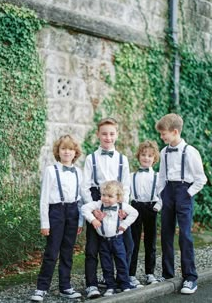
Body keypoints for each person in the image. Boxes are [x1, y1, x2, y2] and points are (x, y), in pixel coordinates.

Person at [81, 117, 133, 299]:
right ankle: (92, 284)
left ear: (116, 135)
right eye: (104, 134)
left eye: (111, 134)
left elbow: (126, 185)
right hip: (97, 200)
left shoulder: (122, 159)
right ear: (98, 135)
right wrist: (93, 208)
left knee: (125, 245)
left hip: (118, 202)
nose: (108, 137)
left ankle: (121, 280)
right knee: (93, 247)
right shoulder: (91, 158)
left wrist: (123, 207)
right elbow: (85, 185)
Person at [155, 113, 207, 294]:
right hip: (168, 192)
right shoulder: (163, 152)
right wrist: (160, 195)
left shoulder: (190, 152)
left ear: (175, 132)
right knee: (166, 234)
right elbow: (161, 177)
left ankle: (190, 277)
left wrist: (188, 193)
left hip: (184, 192)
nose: (162, 137)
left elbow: (201, 179)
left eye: (164, 134)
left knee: (185, 235)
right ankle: (168, 273)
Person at [31, 135, 83, 302]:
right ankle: (41, 288)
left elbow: (81, 199)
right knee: (52, 252)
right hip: (56, 212)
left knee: (68, 252)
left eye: (70, 149)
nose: (67, 152)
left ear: (75, 152)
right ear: (58, 151)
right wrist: (45, 223)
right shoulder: (50, 171)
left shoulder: (78, 172)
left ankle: (65, 287)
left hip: (73, 212)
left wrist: (80, 221)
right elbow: (44, 199)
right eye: (63, 148)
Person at [81, 180, 138, 297]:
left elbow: (135, 213)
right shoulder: (98, 204)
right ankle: (110, 286)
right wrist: (93, 219)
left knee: (121, 262)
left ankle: (124, 285)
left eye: (110, 196)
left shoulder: (122, 206)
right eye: (103, 195)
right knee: (106, 265)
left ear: (118, 198)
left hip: (117, 240)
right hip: (103, 241)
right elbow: (84, 208)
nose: (105, 198)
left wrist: (125, 224)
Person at [129, 140, 162, 287]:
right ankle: (131, 275)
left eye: (150, 156)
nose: (146, 158)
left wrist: (157, 207)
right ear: (139, 156)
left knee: (151, 242)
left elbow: (162, 195)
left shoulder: (158, 176)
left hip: (151, 208)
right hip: (135, 208)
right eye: (143, 155)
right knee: (133, 242)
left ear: (154, 158)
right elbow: (127, 193)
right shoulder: (131, 176)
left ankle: (150, 273)